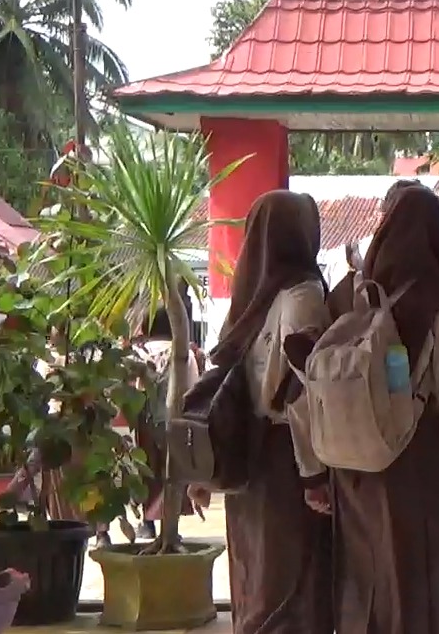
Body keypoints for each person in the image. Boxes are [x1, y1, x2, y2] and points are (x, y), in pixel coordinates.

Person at [316, 182, 439, 634]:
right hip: (414, 464)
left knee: (366, 584)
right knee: (417, 588)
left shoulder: (351, 290)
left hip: (352, 466)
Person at [204, 190, 333, 634]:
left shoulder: (248, 300)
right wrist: (314, 475)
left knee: (255, 580)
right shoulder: (303, 294)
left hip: (247, 459)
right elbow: (300, 394)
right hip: (287, 459)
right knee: (291, 585)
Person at [131, 303, 199, 540]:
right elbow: (192, 387)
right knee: (172, 471)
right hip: (175, 420)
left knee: (148, 469)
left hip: (145, 420)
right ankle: (171, 526)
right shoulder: (183, 353)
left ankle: (147, 521)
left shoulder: (137, 355)